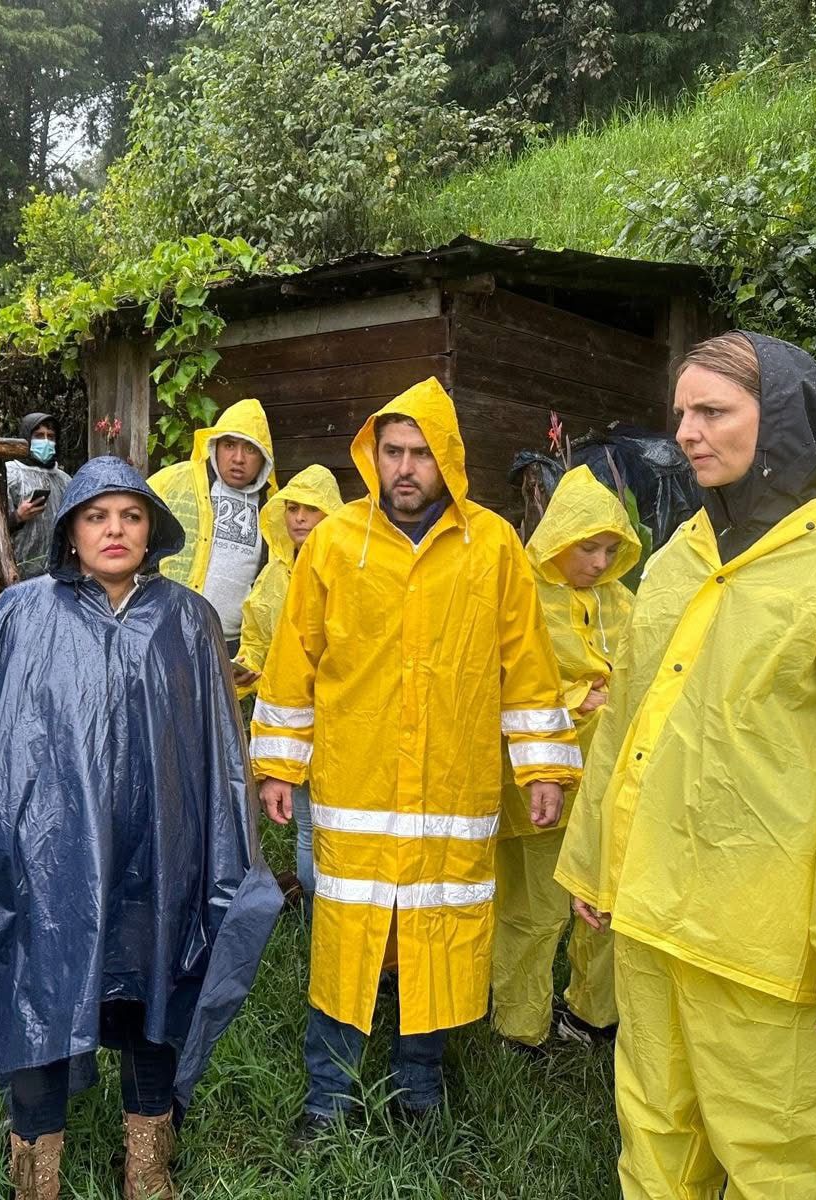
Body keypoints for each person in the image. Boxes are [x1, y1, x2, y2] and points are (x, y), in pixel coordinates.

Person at [555, 331, 816, 1200]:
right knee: (655, 1131)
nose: (686, 432)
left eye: (713, 411)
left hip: (763, 936)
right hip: (652, 907)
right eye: (681, 412)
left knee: (775, 1158)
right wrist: (596, 860)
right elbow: (626, 724)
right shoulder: (680, 555)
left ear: (783, 421)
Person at [0, 456, 282, 1200]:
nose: (115, 530)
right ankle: (36, 1180)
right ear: (70, 531)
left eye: (131, 516)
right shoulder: (23, 613)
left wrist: (226, 849)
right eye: (96, 516)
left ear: (152, 529)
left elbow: (218, 754)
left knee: (152, 998)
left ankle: (148, 1168)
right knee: (40, 1000)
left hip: (160, 856)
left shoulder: (188, 620)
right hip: (48, 863)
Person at [250, 378, 580, 1133]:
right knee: (347, 942)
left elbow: (528, 665)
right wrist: (277, 765)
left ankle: (419, 1091)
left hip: (449, 791)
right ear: (374, 456)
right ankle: (327, 1098)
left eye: (421, 454)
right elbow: (295, 661)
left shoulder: (491, 545)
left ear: (449, 459)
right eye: (393, 451)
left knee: (436, 939)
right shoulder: (336, 541)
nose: (404, 467)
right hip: (355, 785)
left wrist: (543, 767)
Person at [491, 465, 639, 1051]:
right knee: (534, 907)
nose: (600, 563)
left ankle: (592, 1014)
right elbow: (500, 678)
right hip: (538, 780)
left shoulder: (621, 601)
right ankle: (519, 1025)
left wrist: (610, 695)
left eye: (611, 550)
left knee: (605, 903)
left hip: (610, 781)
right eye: (588, 547)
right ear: (557, 539)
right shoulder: (520, 594)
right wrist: (581, 696)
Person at [232, 463, 344, 909]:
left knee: (340, 821)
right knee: (307, 824)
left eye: (310, 509)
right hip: (292, 716)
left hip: (341, 713)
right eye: (292, 508)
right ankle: (315, 916)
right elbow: (257, 638)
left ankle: (341, 913)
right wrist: (245, 667)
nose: (299, 517)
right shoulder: (274, 576)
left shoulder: (349, 569)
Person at [148, 398, 276, 659]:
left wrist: (252, 653)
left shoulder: (274, 510)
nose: (238, 458)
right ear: (215, 446)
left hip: (232, 647)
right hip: (168, 632)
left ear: (264, 457)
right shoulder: (176, 481)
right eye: (229, 445)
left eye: (250, 449)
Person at [5, 410, 73, 579]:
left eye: (51, 436)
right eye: (39, 436)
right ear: (26, 438)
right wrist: (17, 517)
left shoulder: (64, 479)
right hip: (16, 572)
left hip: (57, 573)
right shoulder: (10, 474)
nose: (46, 441)